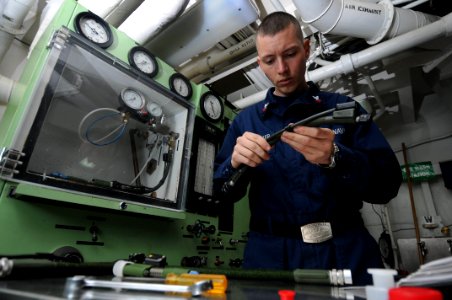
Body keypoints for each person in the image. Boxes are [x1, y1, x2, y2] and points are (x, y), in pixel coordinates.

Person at [213, 11, 402, 285]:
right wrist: (234, 165)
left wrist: (337, 158)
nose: (281, 69)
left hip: (346, 249)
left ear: (306, 48)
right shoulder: (245, 122)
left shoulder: (343, 111)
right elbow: (220, 194)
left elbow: (388, 186)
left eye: (290, 54)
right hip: (271, 257)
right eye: (269, 60)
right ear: (259, 64)